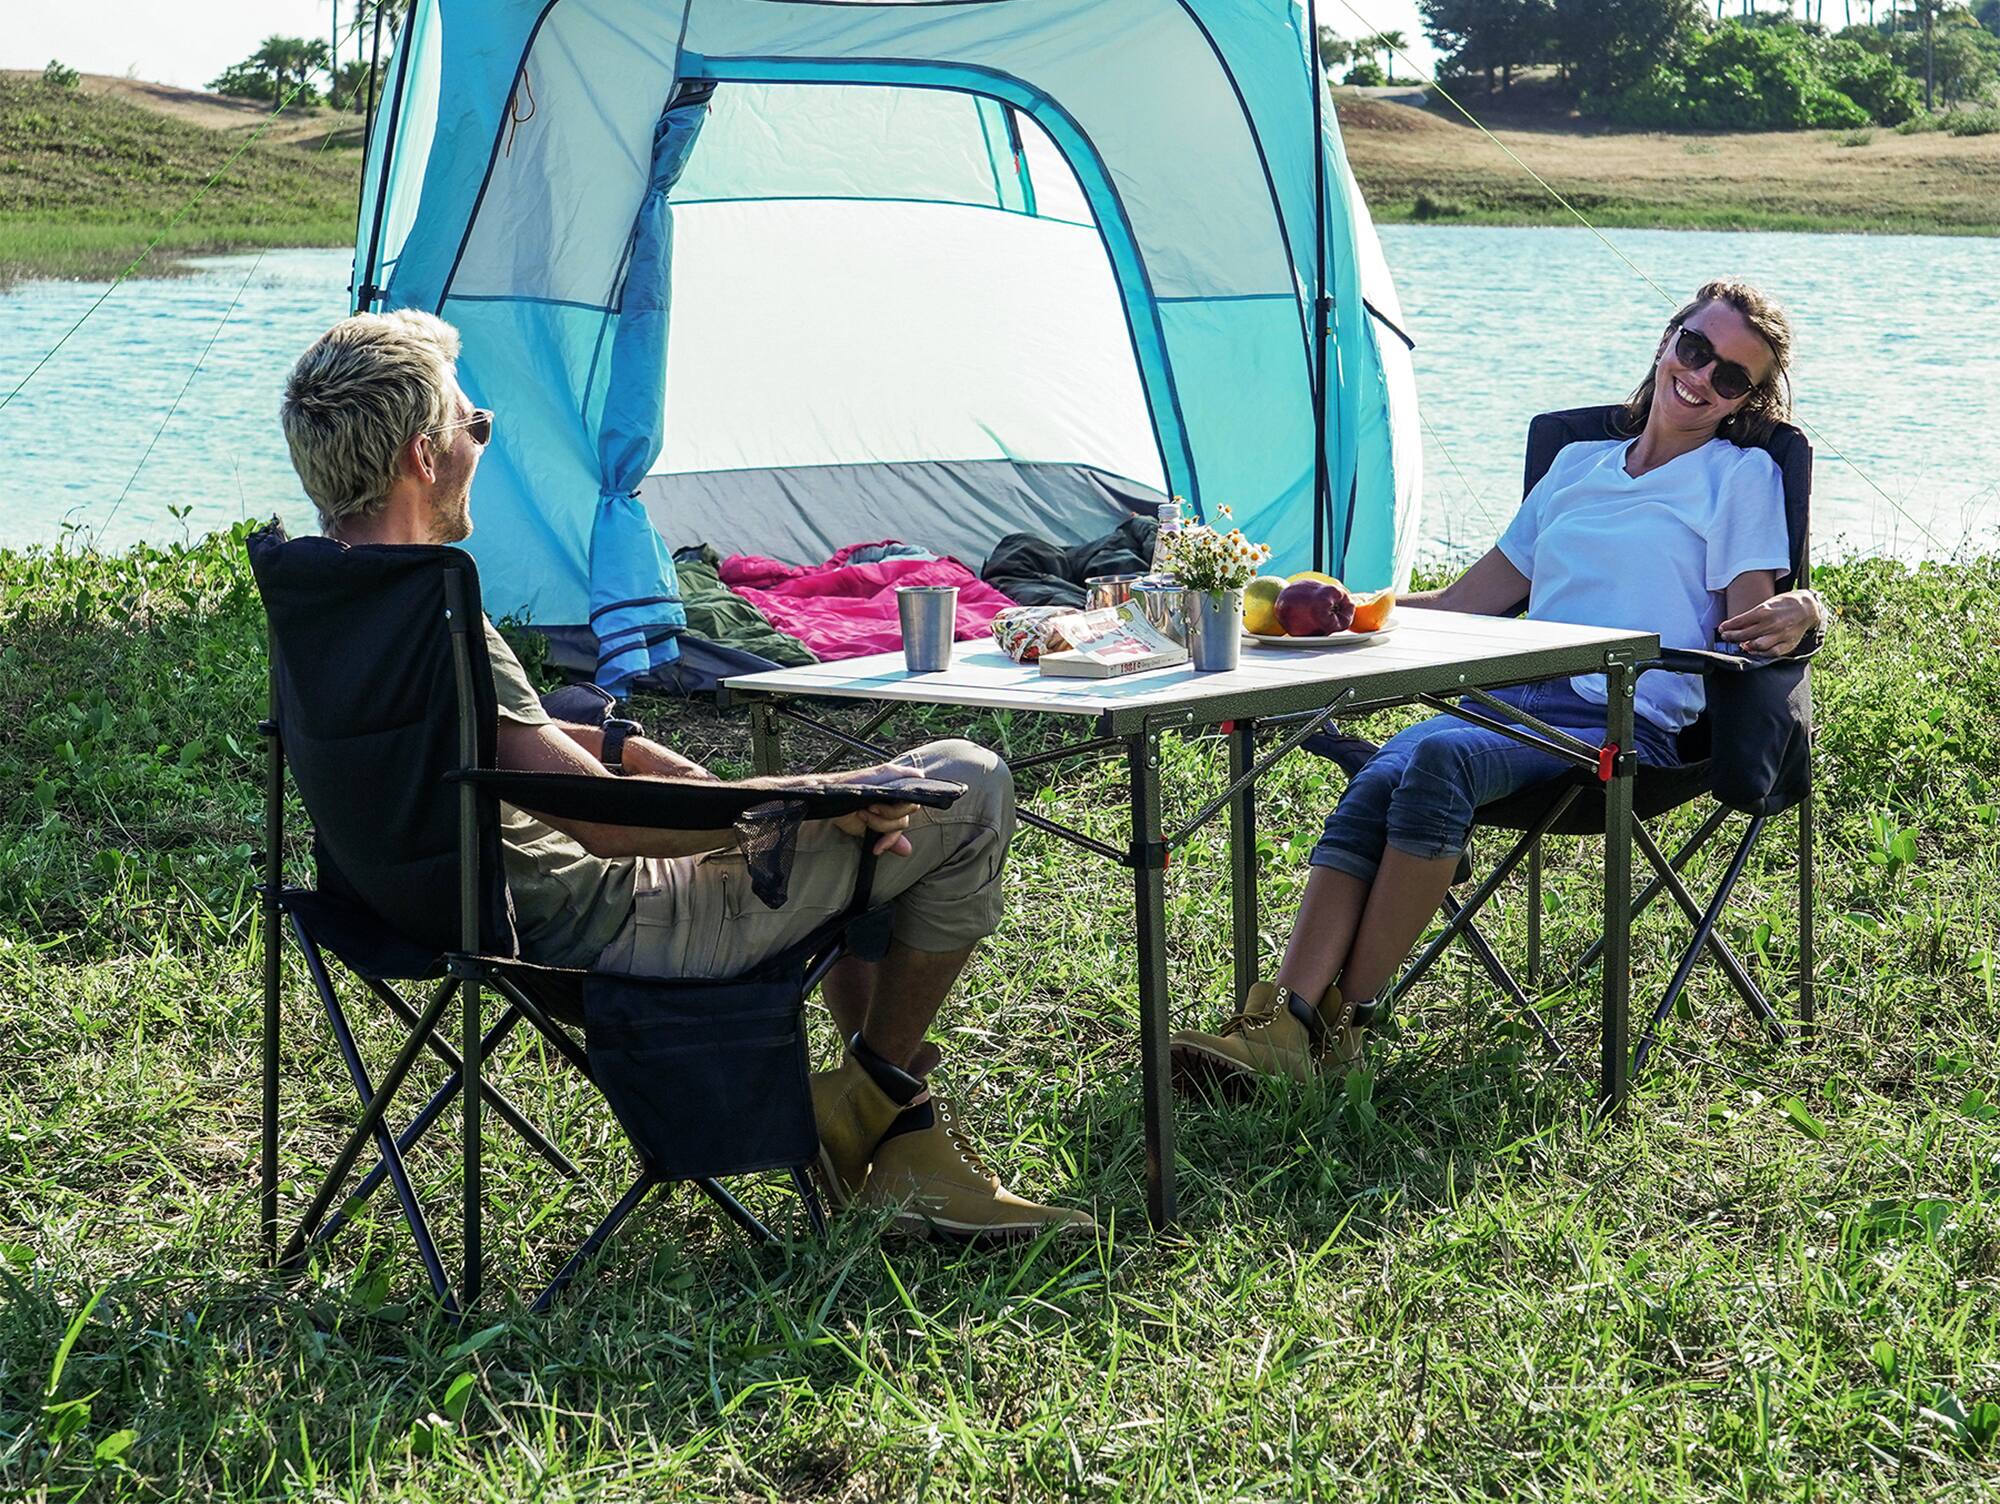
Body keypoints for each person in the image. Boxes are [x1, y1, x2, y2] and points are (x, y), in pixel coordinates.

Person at [279, 308, 1087, 1240]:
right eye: (478, 427)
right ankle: (869, 1104)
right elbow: (606, 826)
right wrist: (807, 806)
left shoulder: (333, 598)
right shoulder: (434, 608)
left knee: (880, 816)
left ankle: (896, 1133)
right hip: (606, 925)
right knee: (967, 781)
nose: (481, 447)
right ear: (425, 456)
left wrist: (620, 741)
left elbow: (489, 744)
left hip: (415, 915)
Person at [1171, 277, 1826, 1089]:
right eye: (1696, 348)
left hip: (1624, 722)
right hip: (1515, 699)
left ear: (1745, 402)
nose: (1701, 377)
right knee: (1383, 773)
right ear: (1668, 340)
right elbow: (1463, 605)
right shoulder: (1577, 466)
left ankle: (1337, 1028)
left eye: (1731, 376)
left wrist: (1807, 610)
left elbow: (1753, 628)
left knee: (1438, 762)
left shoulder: (1739, 478)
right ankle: (1283, 1024)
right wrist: (1334, 612)